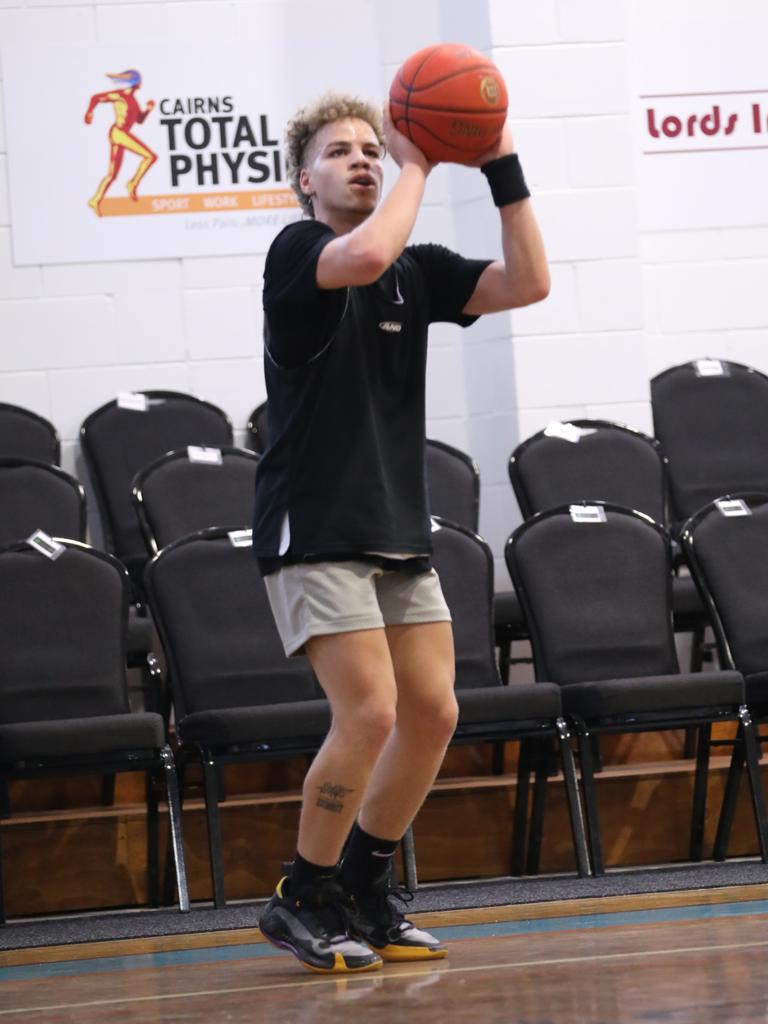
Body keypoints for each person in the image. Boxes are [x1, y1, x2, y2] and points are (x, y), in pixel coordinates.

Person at [254, 90, 549, 974]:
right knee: (372, 710)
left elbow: (528, 281)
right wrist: (419, 155)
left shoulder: (411, 272)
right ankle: (301, 895)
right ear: (304, 179)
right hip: (314, 525)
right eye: (341, 152)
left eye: (370, 151)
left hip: (392, 524)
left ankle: (363, 885)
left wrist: (500, 162)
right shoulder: (299, 250)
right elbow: (370, 245)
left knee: (431, 711)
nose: (361, 159)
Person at [84, 70, 156, 215]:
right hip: (118, 133)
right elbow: (96, 98)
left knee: (112, 174)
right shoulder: (119, 95)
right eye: (139, 81)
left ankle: (95, 199)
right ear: (135, 83)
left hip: (121, 134)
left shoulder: (134, 101)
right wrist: (90, 112)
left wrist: (148, 110)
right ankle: (132, 183)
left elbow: (139, 120)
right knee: (150, 156)